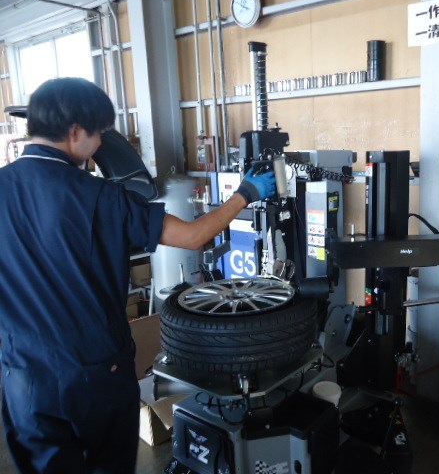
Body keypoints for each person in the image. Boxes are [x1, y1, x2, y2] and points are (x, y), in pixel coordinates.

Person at [0, 77, 275, 473]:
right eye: (98, 133)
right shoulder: (103, 197)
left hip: (24, 378)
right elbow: (194, 236)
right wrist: (246, 192)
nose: (100, 143)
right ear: (75, 132)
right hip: (96, 376)